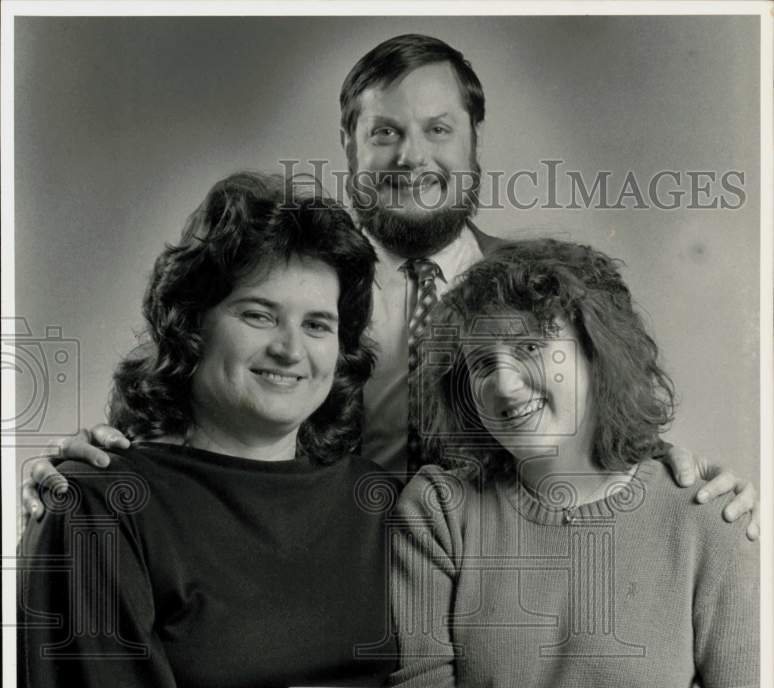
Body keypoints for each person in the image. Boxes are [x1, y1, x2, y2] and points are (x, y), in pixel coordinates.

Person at [19, 171, 641, 688]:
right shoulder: (98, 507)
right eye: (256, 314)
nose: (290, 348)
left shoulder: (388, 504)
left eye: (317, 324)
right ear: (191, 326)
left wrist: (678, 481)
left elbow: (562, 500)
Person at [22, 34, 760, 527]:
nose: (414, 157)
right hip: (314, 614)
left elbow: (613, 428)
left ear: (474, 141)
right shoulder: (288, 291)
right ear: (348, 143)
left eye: (439, 129)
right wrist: (83, 471)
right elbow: (161, 409)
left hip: (492, 614)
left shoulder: (553, 291)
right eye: (386, 133)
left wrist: (688, 482)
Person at [389, 238, 760, 688]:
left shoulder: (703, 519)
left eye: (532, 347)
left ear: (598, 353)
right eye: (481, 363)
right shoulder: (439, 510)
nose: (505, 382)